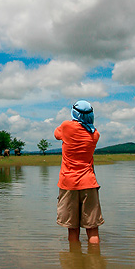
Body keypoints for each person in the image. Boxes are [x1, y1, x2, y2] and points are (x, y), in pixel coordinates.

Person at [55, 100, 103, 244]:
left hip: (68, 183)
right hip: (89, 182)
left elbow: (56, 134)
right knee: (92, 229)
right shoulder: (95, 135)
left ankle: (74, 263)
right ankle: (95, 262)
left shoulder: (66, 126)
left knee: (73, 229)